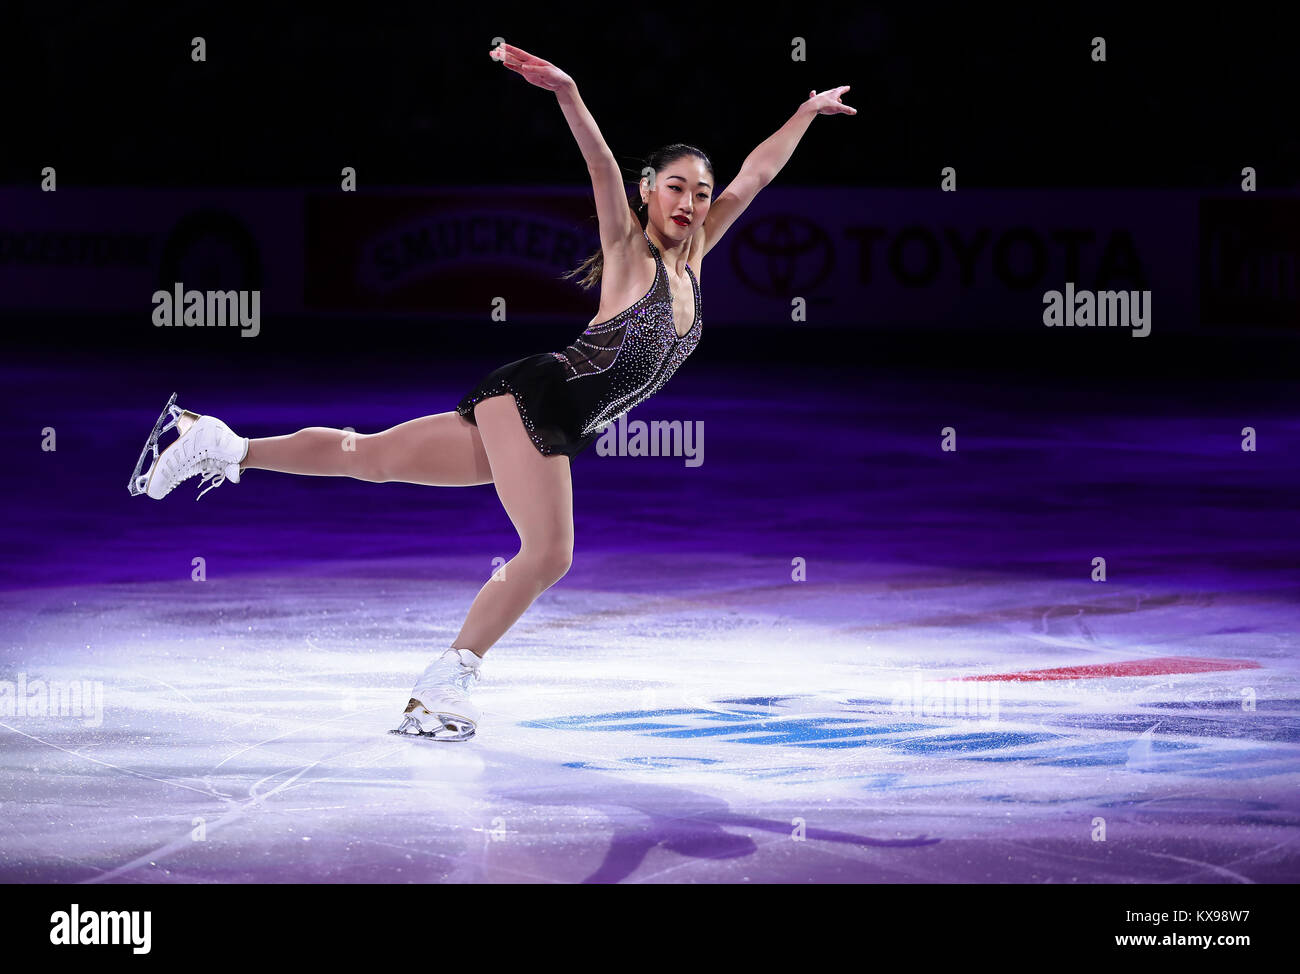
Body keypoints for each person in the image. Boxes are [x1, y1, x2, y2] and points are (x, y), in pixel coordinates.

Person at [127, 42, 855, 742]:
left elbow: (753, 178)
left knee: (372, 457)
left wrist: (804, 113)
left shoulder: (695, 260)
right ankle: (442, 685)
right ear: (647, 191)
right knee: (549, 553)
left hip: (546, 416)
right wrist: (568, 92)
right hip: (541, 400)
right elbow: (600, 162)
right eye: (676, 187)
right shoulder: (627, 249)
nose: (692, 203)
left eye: (700, 192)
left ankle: (222, 443)